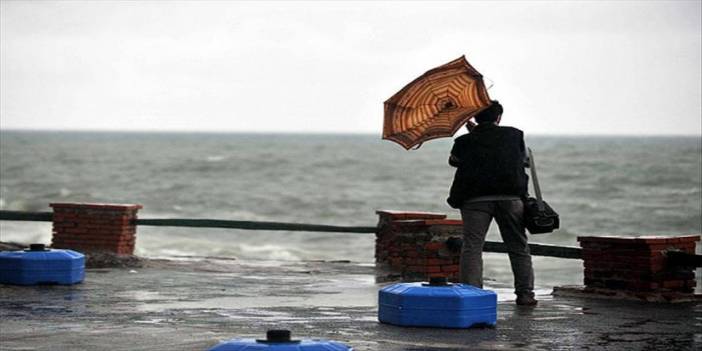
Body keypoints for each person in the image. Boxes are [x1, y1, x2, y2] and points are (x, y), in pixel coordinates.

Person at [447, 100, 537, 306]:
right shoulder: (515, 135)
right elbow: (523, 161)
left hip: (474, 200)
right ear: (498, 117)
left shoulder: (464, 141)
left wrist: (473, 136)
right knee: (518, 246)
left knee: (472, 247)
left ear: (476, 117)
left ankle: (472, 294)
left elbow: (454, 161)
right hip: (510, 198)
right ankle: (525, 294)